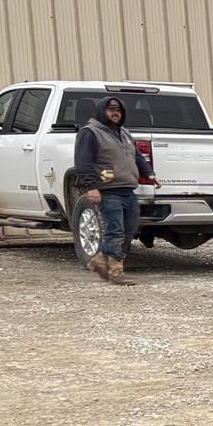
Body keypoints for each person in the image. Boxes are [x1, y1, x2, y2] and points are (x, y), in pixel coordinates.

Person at [74, 96, 141, 285]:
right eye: (111, 109)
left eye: (118, 110)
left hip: (128, 190)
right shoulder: (90, 132)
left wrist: (149, 174)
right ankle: (116, 272)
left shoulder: (125, 133)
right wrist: (91, 187)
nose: (115, 113)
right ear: (102, 111)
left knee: (130, 229)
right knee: (115, 230)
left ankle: (99, 260)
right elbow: (83, 162)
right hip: (108, 190)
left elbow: (137, 158)